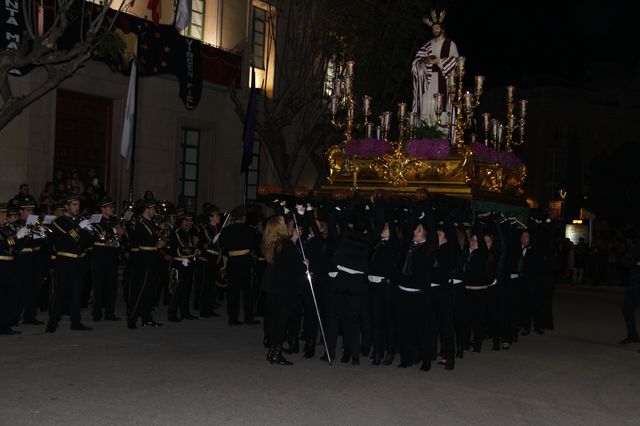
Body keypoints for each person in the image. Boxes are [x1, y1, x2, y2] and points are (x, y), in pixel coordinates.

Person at [261, 216, 307, 365]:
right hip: (286, 289)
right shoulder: (285, 244)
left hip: (274, 288)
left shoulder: (272, 243)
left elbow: (284, 261)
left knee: (276, 320)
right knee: (282, 322)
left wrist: (293, 240)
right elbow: (297, 266)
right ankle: (276, 352)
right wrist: (305, 264)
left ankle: (272, 351)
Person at [46, 194, 94, 333]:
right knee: (60, 294)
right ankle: (52, 324)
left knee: (77, 293)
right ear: (66, 206)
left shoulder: (79, 220)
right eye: (74, 204)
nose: (77, 207)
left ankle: (76, 322)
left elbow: (87, 242)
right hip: (65, 261)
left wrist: (88, 231)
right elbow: (68, 239)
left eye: (78, 205)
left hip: (79, 261)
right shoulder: (59, 222)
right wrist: (80, 229)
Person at [411, 9, 459, 126]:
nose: (434, 30)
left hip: (443, 80)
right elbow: (417, 60)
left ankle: (441, 134)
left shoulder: (450, 44)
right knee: (427, 106)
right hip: (428, 80)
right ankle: (426, 133)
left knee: (441, 107)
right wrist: (420, 64)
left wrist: (439, 61)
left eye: (437, 28)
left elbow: (456, 61)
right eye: (433, 29)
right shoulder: (428, 45)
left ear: (442, 29)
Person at [219, 205, 260, 326]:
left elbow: (222, 247)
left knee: (233, 292)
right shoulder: (250, 230)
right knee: (248, 292)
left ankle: (233, 318)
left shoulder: (226, 230)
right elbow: (255, 247)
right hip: (245, 262)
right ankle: (249, 317)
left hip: (232, 262)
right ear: (243, 217)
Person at [128, 199, 165, 329]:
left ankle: (147, 318)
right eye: (153, 208)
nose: (154, 211)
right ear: (147, 209)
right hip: (145, 259)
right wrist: (158, 238)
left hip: (153, 258)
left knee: (150, 291)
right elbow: (148, 238)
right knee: (141, 290)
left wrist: (160, 241)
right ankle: (132, 319)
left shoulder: (150, 223)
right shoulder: (141, 223)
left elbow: (157, 238)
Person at [90, 197, 123, 322]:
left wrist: (118, 239)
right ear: (102, 209)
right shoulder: (97, 220)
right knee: (99, 285)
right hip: (100, 254)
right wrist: (114, 232)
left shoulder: (114, 220)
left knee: (111, 286)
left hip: (112, 254)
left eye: (112, 207)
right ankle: (97, 313)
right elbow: (100, 234)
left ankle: (110, 313)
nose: (112, 209)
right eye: (110, 207)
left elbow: (119, 236)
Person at [168, 212, 198, 321]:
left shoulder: (187, 233)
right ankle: (172, 314)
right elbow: (180, 250)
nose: (192, 223)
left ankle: (185, 312)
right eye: (190, 220)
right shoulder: (176, 233)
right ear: (184, 221)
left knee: (187, 290)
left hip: (187, 264)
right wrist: (194, 247)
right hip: (178, 264)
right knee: (177, 290)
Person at [197, 205, 223, 318]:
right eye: (216, 215)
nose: (219, 217)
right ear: (211, 217)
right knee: (207, 286)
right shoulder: (206, 229)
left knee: (213, 286)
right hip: (208, 260)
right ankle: (204, 310)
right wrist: (216, 240)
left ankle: (210, 308)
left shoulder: (217, 229)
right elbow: (205, 245)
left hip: (216, 259)